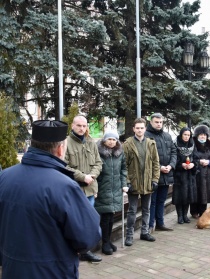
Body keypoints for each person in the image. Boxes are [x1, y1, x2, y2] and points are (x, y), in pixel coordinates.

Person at [0, 120, 101, 278]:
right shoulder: (65, 186)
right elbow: (88, 236)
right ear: (61, 149)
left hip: (12, 270)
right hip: (52, 272)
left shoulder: (4, 176)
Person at [64, 115, 103, 262]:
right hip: (75, 190)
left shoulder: (91, 142)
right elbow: (63, 165)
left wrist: (91, 176)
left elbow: (98, 163)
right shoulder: (66, 143)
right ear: (72, 126)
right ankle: (71, 251)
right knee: (74, 222)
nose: (82, 128)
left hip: (90, 189)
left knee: (89, 222)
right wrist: (82, 177)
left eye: (84, 126)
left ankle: (86, 251)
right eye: (78, 125)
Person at [123, 118, 160, 246]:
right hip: (134, 182)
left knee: (146, 209)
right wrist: (127, 182)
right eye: (137, 128)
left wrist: (155, 179)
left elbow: (156, 163)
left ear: (145, 129)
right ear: (133, 129)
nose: (139, 130)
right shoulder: (127, 144)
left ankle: (144, 232)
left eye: (142, 128)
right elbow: (124, 166)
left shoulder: (151, 144)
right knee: (132, 210)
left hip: (148, 181)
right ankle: (129, 235)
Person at [95, 130, 128, 255]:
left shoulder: (119, 153)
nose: (112, 142)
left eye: (114, 140)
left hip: (115, 189)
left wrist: (124, 184)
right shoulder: (99, 153)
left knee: (111, 217)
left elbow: (123, 169)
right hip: (103, 188)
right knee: (105, 217)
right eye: (109, 139)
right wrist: (95, 188)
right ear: (104, 140)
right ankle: (105, 243)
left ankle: (108, 241)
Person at [145, 113, 177, 232]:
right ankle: (150, 225)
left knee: (161, 201)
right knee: (152, 202)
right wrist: (160, 167)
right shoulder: (146, 136)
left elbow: (174, 152)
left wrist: (171, 165)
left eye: (160, 122)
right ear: (151, 122)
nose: (159, 124)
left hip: (166, 175)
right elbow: (146, 157)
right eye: (156, 122)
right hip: (153, 176)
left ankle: (160, 223)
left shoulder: (167, 136)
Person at [172, 127, 198, 224]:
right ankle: (179, 216)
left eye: (188, 135)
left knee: (188, 195)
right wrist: (181, 165)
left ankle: (185, 215)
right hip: (179, 175)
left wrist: (193, 164)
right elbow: (174, 158)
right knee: (179, 196)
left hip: (190, 174)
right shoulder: (175, 144)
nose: (187, 137)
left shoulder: (192, 145)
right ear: (181, 135)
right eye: (185, 135)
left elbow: (196, 158)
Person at [191, 125, 210, 217]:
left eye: (205, 135)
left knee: (205, 192)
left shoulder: (209, 145)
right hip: (196, 172)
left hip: (207, 173)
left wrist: (209, 162)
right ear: (197, 135)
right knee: (196, 192)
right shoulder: (193, 145)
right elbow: (190, 157)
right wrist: (199, 161)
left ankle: (203, 211)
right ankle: (194, 211)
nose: (203, 136)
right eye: (201, 134)